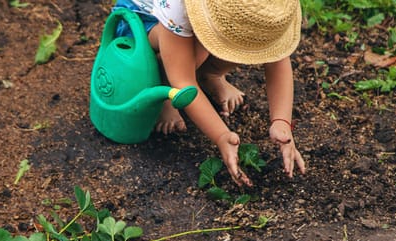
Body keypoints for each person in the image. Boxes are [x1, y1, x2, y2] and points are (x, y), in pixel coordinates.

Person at [112, 0, 306, 186]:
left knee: (248, 44)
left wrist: (282, 122)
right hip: (142, 19)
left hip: (198, 22)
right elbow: (184, 81)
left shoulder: (268, 13)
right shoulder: (178, 6)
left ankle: (210, 74)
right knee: (196, 50)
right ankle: (164, 92)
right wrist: (221, 136)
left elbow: (278, 60)